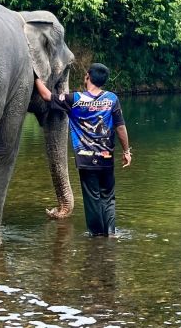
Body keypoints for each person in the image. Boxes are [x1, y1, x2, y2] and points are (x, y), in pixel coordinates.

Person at [34, 63, 131, 236]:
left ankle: (96, 237)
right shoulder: (112, 99)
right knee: (108, 198)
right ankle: (110, 234)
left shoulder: (75, 99)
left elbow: (47, 95)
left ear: (87, 76)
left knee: (92, 199)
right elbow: (120, 127)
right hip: (106, 158)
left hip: (86, 159)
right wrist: (126, 152)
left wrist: (35, 77)